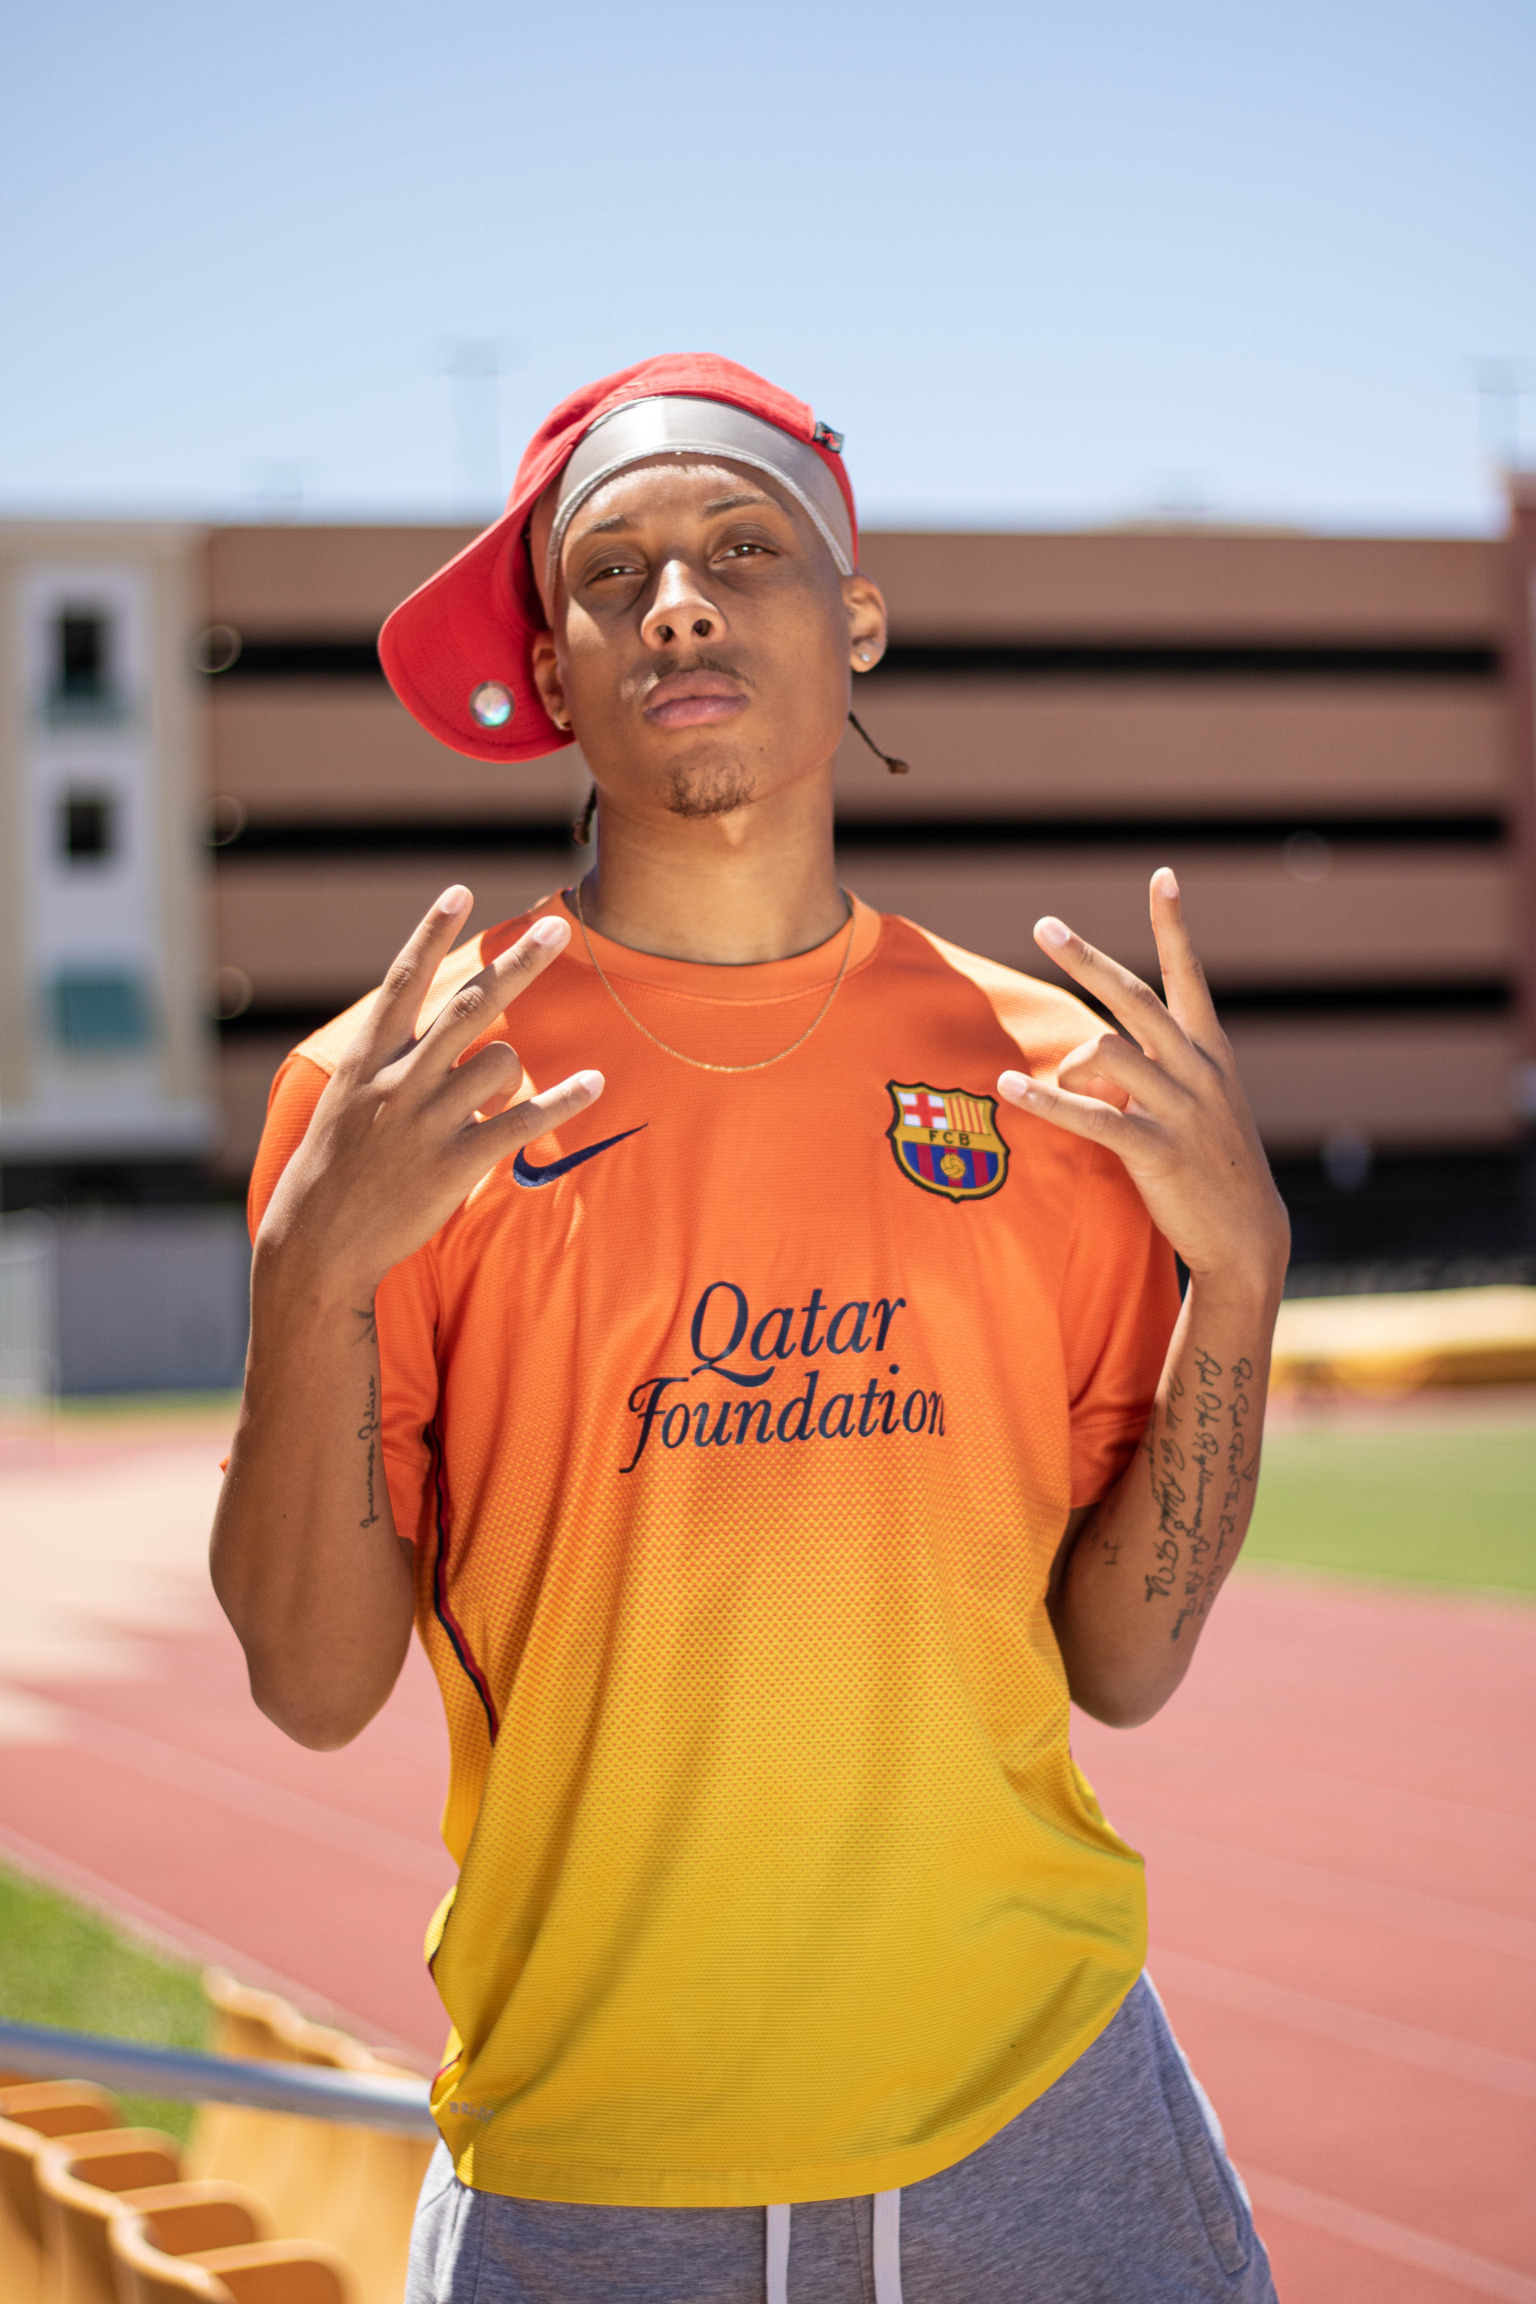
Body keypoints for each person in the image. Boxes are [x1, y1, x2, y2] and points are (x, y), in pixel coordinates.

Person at [212, 354, 1289, 2302]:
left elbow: (1125, 1666)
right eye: (610, 571)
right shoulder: (395, 1094)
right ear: (552, 671)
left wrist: (1244, 1280)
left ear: (856, 615)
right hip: (591, 2160)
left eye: (740, 547)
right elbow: (309, 1682)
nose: (679, 602)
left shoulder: (1052, 1078)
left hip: (1043, 2115)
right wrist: (311, 1279)